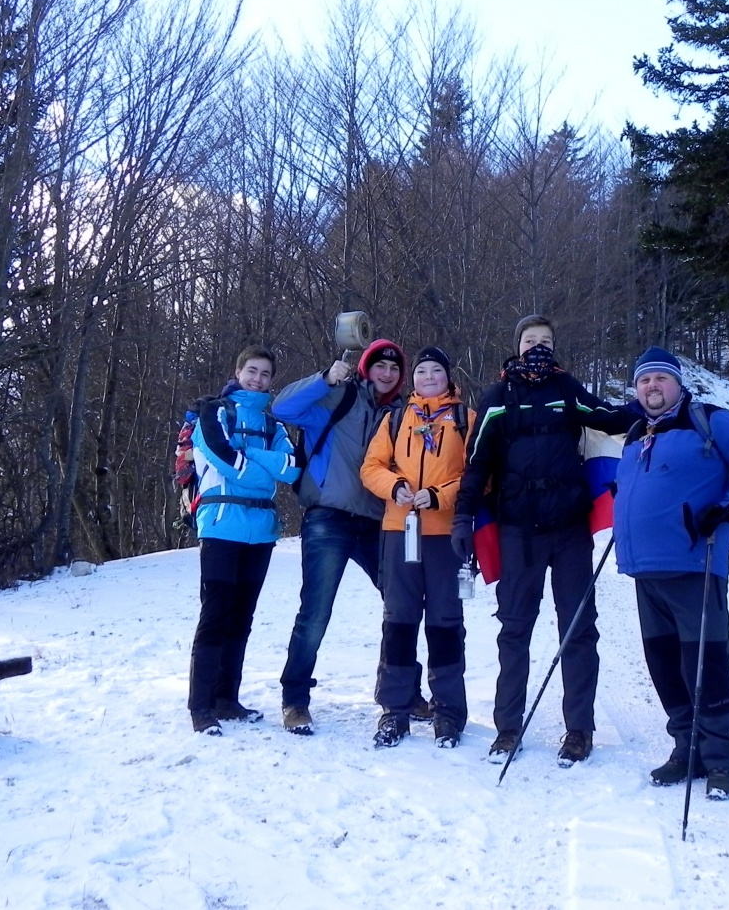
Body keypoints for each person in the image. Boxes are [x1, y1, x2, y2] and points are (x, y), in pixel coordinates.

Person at [451, 315, 636, 766]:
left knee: (578, 630)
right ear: (516, 346)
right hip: (518, 531)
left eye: (546, 341)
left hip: (569, 529)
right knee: (514, 630)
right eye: (530, 340)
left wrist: (653, 405)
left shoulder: (568, 388)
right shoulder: (496, 398)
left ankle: (579, 729)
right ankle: (508, 727)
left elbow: (610, 420)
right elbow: (477, 464)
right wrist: (462, 517)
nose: (538, 347)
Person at [613, 348, 729, 798]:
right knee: (663, 664)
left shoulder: (711, 420)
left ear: (678, 383)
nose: (652, 387)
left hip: (694, 565)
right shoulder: (638, 432)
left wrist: (724, 510)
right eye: (644, 381)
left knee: (707, 664)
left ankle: (721, 759)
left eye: (661, 379)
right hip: (644, 569)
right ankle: (687, 747)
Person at [271, 338, 408, 733]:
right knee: (315, 611)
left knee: (400, 603)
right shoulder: (337, 398)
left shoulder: (400, 415)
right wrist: (324, 378)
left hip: (378, 521)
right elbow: (282, 407)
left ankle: (398, 692)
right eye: (380, 366)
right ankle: (294, 699)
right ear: (366, 368)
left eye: (394, 368)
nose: (387, 373)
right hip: (329, 516)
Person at [360, 346, 474, 749]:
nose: (428, 377)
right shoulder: (394, 419)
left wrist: (439, 495)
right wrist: (396, 487)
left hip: (446, 536)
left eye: (436, 371)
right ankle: (395, 709)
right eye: (422, 370)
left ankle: (448, 711)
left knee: (445, 622)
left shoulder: (466, 420)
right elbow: (370, 468)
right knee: (399, 621)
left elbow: (480, 476)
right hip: (399, 530)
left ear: (448, 377)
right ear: (414, 379)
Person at [187, 346, 301, 735]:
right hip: (220, 526)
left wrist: (250, 453)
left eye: (265, 374)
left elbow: (290, 469)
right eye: (251, 371)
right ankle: (201, 707)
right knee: (215, 617)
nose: (257, 379)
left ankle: (227, 699)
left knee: (242, 618)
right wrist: (261, 469)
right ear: (238, 372)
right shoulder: (214, 413)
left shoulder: (273, 426)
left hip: (261, 532)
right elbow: (227, 463)